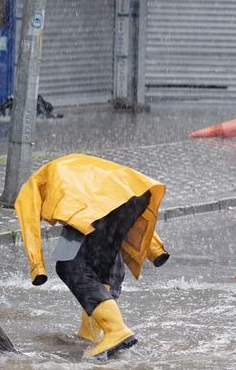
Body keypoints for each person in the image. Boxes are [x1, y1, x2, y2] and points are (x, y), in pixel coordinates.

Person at [15, 153, 171, 358]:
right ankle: (90, 335)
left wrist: (37, 268)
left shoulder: (33, 186)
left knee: (68, 266)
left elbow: (29, 225)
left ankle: (115, 331)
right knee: (101, 265)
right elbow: (117, 200)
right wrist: (155, 250)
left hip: (96, 209)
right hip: (137, 194)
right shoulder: (76, 171)